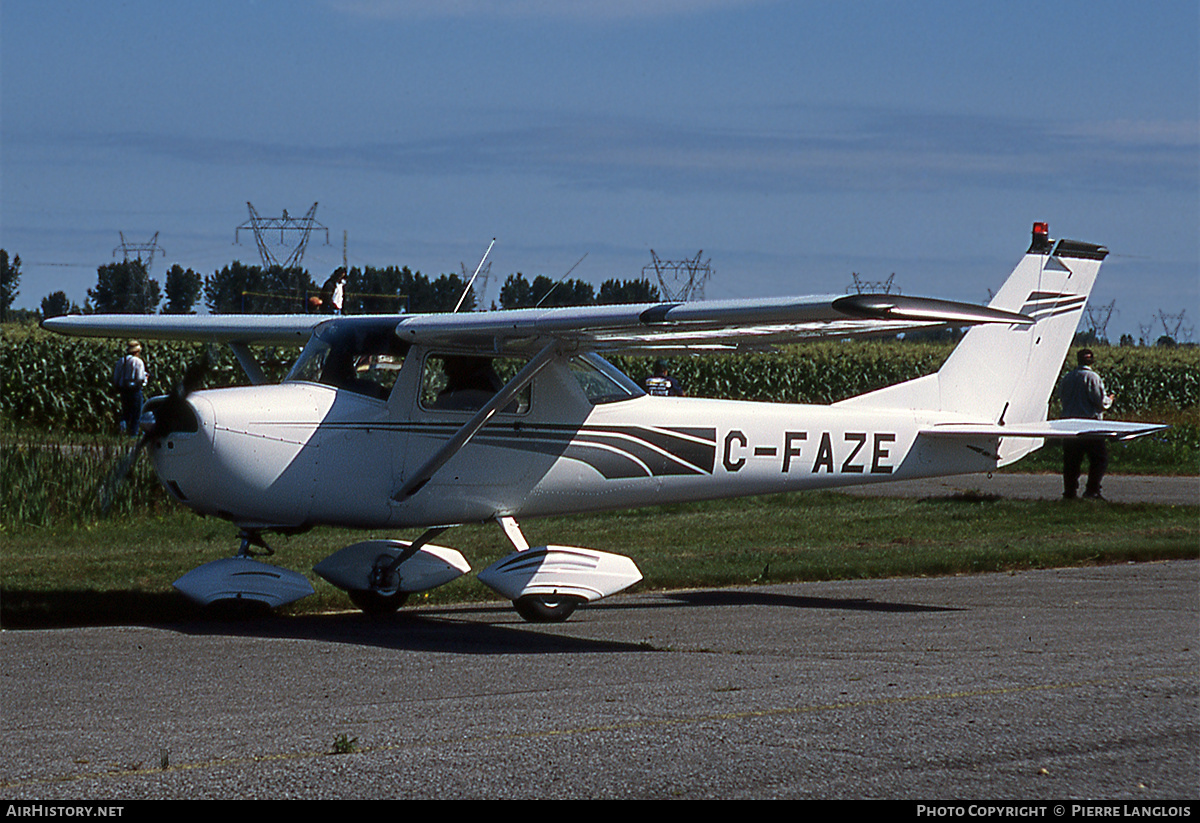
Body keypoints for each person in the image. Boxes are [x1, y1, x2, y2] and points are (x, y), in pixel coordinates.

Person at [1058, 348, 1116, 500]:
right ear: (1091, 360)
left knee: (1071, 462)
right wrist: (1110, 399)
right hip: (1090, 426)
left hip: (1070, 425)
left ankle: (1069, 492)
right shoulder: (1093, 377)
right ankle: (1092, 490)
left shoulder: (1068, 377)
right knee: (1099, 459)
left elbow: (1061, 397)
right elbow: (1100, 401)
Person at [112, 340, 147, 436]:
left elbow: (116, 377)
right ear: (137, 352)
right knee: (136, 414)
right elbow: (140, 378)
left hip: (124, 390)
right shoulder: (138, 362)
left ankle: (122, 431)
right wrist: (145, 379)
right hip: (135, 390)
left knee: (126, 413)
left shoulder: (121, 361)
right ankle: (133, 435)